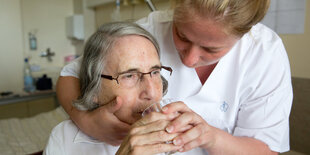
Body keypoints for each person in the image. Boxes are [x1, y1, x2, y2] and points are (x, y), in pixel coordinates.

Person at [56, 0, 293, 154]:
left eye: (211, 50)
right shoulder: (145, 33)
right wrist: (88, 121)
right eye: (182, 36)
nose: (189, 60)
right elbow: (70, 75)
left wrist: (209, 136)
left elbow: (266, 149)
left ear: (244, 35)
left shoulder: (264, 54)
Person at [45, 22, 185, 154]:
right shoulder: (64, 140)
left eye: (155, 72)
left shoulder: (176, 133)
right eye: (129, 76)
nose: (152, 93)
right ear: (94, 88)